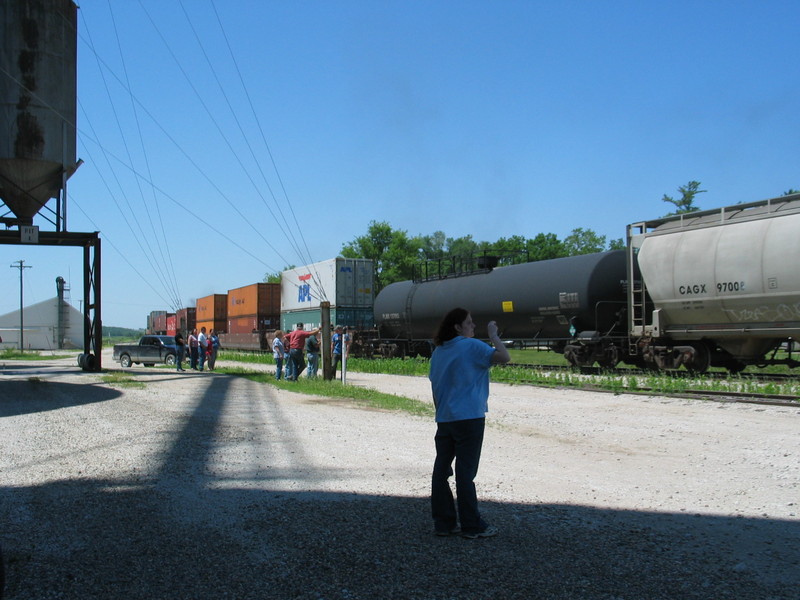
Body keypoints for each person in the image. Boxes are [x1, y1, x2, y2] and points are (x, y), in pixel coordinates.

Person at [428, 307, 510, 539]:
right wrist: (494, 335)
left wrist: (441, 412)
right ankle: (471, 526)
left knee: (441, 471)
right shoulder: (471, 346)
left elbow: (435, 387)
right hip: (470, 418)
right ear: (458, 327)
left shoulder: (439, 351)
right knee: (465, 473)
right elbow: (504, 357)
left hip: (445, 418)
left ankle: (443, 523)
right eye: (470, 323)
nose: (474, 326)